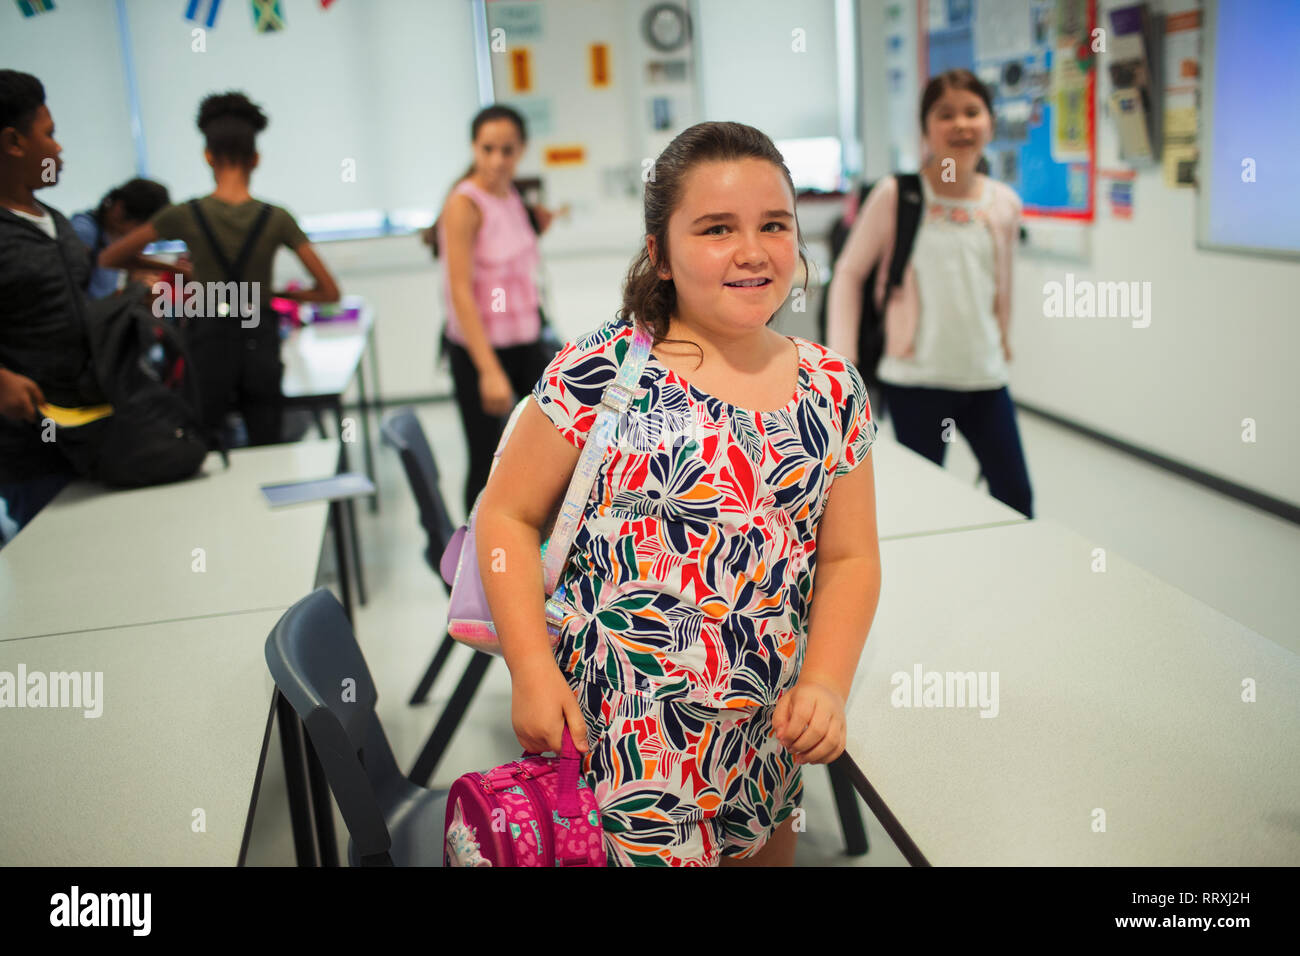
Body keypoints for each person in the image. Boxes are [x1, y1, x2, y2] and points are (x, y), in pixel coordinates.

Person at [476, 121, 882, 866]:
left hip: (765, 740)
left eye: (774, 225)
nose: (753, 250)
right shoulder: (602, 372)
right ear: (659, 254)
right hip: (621, 749)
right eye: (716, 229)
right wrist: (530, 670)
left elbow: (850, 557)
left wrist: (826, 682)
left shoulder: (832, 387)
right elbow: (504, 515)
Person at [827, 68, 1033, 518]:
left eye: (972, 112)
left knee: (1017, 498)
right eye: (945, 114)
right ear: (925, 130)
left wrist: (1004, 342)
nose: (961, 124)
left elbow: (1003, 285)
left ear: (990, 124)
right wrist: (844, 362)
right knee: (924, 505)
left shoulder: (1003, 203)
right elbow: (848, 273)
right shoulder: (897, 195)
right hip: (915, 379)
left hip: (984, 376)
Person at [100, 91, 339, 447]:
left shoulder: (184, 215)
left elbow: (110, 258)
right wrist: (272, 294)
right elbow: (329, 292)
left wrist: (173, 270)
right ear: (256, 159)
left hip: (207, 338)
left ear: (207, 156)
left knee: (202, 441)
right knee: (267, 442)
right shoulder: (276, 218)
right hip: (259, 334)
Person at [436, 104, 567, 515]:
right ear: (473, 147)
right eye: (487, 149)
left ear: (521, 149)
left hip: (526, 342)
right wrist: (489, 369)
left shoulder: (511, 195)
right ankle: (470, 569)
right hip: (481, 352)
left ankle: (528, 550)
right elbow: (459, 291)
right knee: (485, 459)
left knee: (537, 454)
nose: (497, 160)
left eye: (507, 150)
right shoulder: (463, 203)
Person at [0, 70, 101, 541]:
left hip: (92, 435)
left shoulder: (56, 221)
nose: (59, 149)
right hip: (31, 454)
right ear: (14, 143)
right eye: (50, 135)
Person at [71, 178, 172, 299]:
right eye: (140, 230)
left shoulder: (112, 235)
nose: (141, 243)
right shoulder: (84, 232)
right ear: (119, 210)